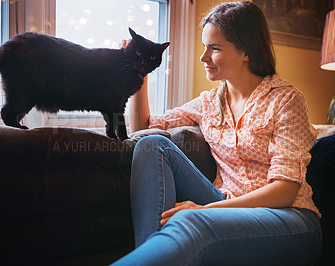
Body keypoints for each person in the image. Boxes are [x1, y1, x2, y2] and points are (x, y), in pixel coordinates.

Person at [113, 1, 322, 265]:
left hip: (289, 219)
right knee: (153, 145)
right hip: (225, 203)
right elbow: (142, 129)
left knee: (192, 220)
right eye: (204, 46)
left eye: (214, 48)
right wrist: (138, 72)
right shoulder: (209, 102)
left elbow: (284, 191)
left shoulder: (286, 100)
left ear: (245, 51)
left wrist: (205, 210)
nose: (204, 57)